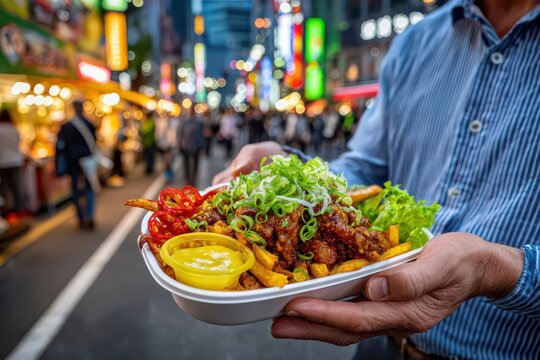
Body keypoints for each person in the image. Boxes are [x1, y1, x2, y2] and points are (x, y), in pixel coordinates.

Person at [213, 0, 540, 358]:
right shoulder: (415, 42)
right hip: (378, 346)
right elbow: (365, 168)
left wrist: (500, 270)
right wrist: (296, 174)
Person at [55, 100, 96, 229]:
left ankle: (80, 217)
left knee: (75, 190)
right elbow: (95, 142)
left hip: (72, 162)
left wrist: (60, 167)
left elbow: (60, 146)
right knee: (90, 188)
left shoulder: (66, 126)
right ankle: (89, 215)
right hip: (88, 161)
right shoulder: (89, 124)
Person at [0, 109, 25, 218]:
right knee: (17, 187)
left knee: (4, 188)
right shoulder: (14, 129)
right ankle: (20, 210)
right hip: (16, 161)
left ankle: (5, 212)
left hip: (3, 162)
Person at [178, 107, 204, 185]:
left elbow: (201, 134)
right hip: (185, 145)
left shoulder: (198, 122)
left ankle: (193, 178)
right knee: (186, 164)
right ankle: (187, 179)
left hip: (196, 146)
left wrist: (201, 144)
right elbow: (179, 133)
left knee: (195, 164)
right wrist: (179, 144)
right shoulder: (184, 121)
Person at [140, 111, 156, 175]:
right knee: (147, 157)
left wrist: (141, 131)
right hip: (146, 142)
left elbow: (145, 131)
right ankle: (148, 169)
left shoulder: (150, 122)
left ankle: (150, 169)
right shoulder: (147, 122)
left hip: (150, 142)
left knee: (150, 157)